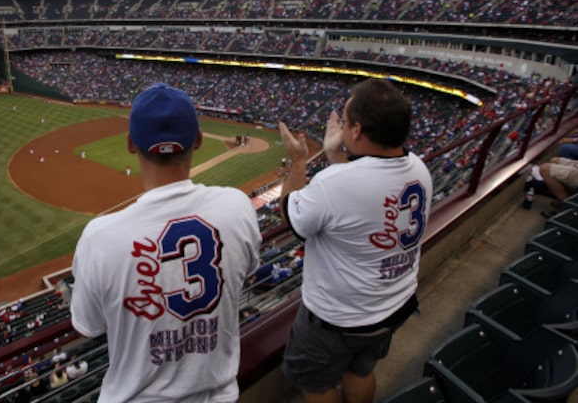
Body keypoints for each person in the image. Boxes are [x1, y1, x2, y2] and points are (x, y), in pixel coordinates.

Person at [70, 82, 262, 403]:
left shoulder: (98, 237)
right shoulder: (237, 206)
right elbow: (248, 271)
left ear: (132, 144)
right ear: (198, 140)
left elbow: (87, 326)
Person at [278, 78, 432, 403]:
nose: (342, 128)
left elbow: (290, 217)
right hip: (393, 304)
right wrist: (335, 153)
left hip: (338, 318)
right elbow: (365, 192)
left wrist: (298, 160)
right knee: (360, 371)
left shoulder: (334, 184)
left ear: (358, 131)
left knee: (316, 385)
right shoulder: (419, 169)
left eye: (346, 123)